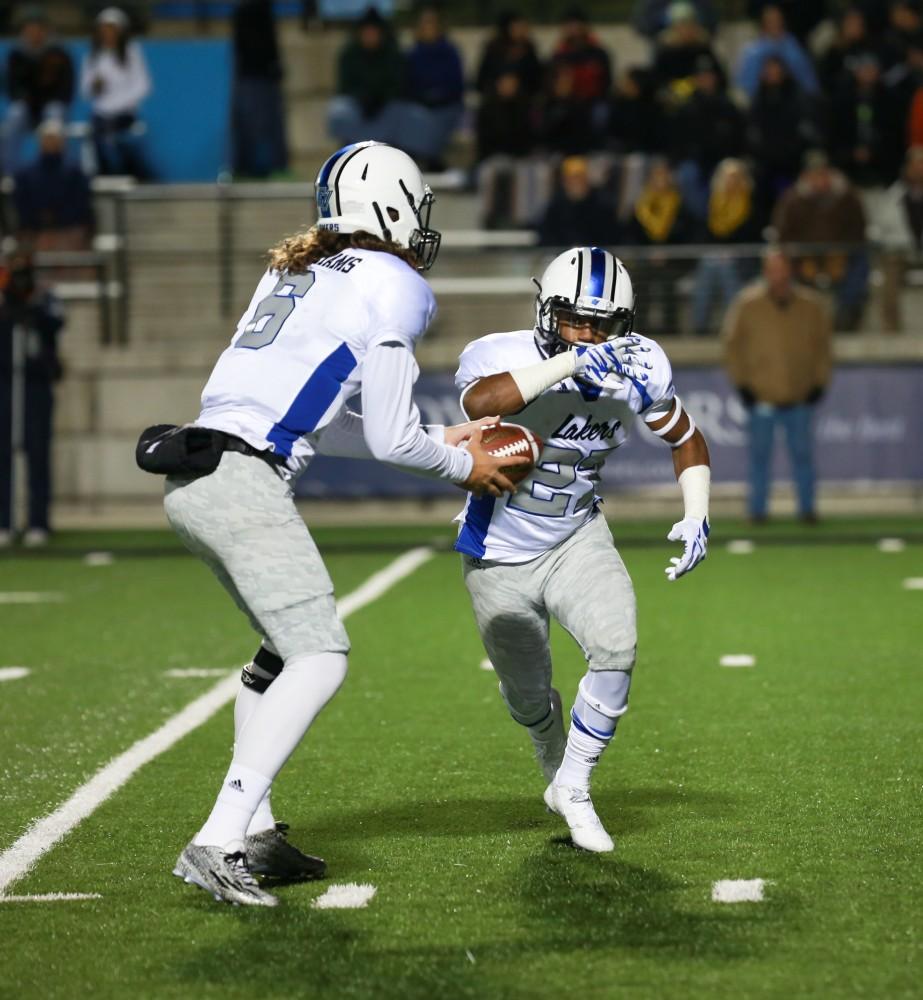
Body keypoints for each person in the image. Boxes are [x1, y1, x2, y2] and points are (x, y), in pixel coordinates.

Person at [164, 142, 528, 907]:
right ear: (389, 205)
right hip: (244, 479)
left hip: (194, 473)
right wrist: (466, 466)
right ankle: (219, 835)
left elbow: (321, 397)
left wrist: (444, 436)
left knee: (278, 651)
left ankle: (254, 830)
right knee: (322, 656)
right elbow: (392, 439)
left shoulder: (292, 266)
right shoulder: (393, 281)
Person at [454, 246, 711, 852]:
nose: (591, 334)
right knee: (526, 690)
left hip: (576, 533)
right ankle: (549, 756)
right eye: (575, 319)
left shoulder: (637, 365)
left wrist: (697, 509)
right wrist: (571, 362)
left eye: (604, 325)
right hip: (498, 545)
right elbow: (479, 404)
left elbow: (686, 436)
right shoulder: (500, 352)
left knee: (616, 646)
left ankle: (574, 785)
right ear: (547, 311)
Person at [722, 247, 832, 523]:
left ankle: (807, 510)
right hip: (761, 397)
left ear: (791, 270)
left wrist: (819, 383)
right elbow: (732, 347)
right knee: (759, 459)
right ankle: (757, 512)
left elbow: (824, 349)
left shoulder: (811, 306)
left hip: (799, 397)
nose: (778, 274)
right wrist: (742, 385)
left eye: (782, 268)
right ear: (765, 271)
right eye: (773, 269)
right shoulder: (747, 305)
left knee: (803, 457)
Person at [0, 251, 65, 548]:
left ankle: (38, 521)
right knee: (4, 455)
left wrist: (33, 310)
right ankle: (5, 521)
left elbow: (56, 323)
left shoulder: (45, 296)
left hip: (35, 385)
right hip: (6, 382)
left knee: (37, 453)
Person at [772, 151, 869, 330]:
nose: (819, 179)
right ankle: (799, 325)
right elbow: (783, 235)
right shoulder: (792, 199)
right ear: (806, 176)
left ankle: (845, 321)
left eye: (823, 173)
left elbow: (860, 230)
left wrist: (841, 254)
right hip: (803, 258)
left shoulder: (848, 196)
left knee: (861, 265)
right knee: (781, 265)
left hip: (842, 255)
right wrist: (802, 258)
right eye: (814, 174)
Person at [691, 159, 764, 336]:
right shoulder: (711, 204)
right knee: (711, 264)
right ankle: (701, 327)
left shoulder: (752, 204)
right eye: (728, 177)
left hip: (744, 259)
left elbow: (754, 237)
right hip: (714, 257)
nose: (732, 182)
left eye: (736, 177)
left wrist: (731, 252)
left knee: (723, 268)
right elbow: (703, 235)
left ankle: (733, 326)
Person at [2, 6, 74, 177]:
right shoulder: (16, 55)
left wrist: (49, 98)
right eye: (29, 28)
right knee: (14, 114)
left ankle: (60, 171)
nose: (33, 32)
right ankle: (8, 172)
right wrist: (23, 97)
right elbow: (11, 86)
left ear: (45, 30)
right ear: (24, 31)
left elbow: (66, 88)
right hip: (27, 109)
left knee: (54, 112)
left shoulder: (59, 53)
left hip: (50, 106)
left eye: (37, 28)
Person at [80, 7, 151, 178]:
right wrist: (95, 87)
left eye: (112, 30)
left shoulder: (133, 53)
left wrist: (120, 105)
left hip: (125, 114)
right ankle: (103, 178)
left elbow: (143, 86)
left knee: (122, 143)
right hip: (101, 115)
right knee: (97, 142)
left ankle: (133, 177)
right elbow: (85, 91)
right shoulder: (92, 57)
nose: (108, 34)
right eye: (104, 30)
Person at [327, 8, 406, 149]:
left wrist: (380, 99)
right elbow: (344, 87)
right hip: (357, 104)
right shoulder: (349, 54)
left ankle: (389, 150)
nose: (370, 36)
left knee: (402, 111)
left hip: (386, 105)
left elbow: (399, 85)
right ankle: (351, 150)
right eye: (366, 33)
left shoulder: (393, 54)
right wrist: (362, 98)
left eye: (374, 33)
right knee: (339, 110)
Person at [13, 119, 95, 255]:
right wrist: (40, 222)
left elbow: (81, 202)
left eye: (55, 138)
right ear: (39, 141)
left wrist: (60, 220)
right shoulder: (25, 175)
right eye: (47, 138)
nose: (51, 142)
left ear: (63, 141)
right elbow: (22, 203)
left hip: (70, 231)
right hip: (36, 233)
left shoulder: (76, 172)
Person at [230, 0, 289, 179]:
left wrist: (275, 64)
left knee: (272, 123)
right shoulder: (244, 12)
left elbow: (271, 43)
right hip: (250, 76)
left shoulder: (266, 9)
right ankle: (247, 168)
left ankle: (275, 166)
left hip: (266, 76)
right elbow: (245, 47)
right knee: (250, 123)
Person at [403, 6, 465, 171]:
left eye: (432, 24)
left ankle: (432, 156)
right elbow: (406, 86)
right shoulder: (412, 54)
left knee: (441, 117)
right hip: (420, 105)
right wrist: (423, 98)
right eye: (425, 24)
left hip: (447, 104)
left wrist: (440, 97)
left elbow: (457, 84)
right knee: (412, 115)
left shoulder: (450, 52)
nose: (428, 28)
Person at [872, 145, 923, 330]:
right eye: (916, 164)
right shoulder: (892, 196)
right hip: (900, 252)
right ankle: (891, 329)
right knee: (889, 272)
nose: (920, 169)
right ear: (907, 168)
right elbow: (878, 229)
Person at [734, 4, 819, 101]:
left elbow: (807, 81)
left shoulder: (793, 48)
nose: (775, 24)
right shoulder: (752, 52)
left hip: (792, 100)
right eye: (770, 21)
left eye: (777, 20)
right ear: (763, 24)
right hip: (761, 102)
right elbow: (745, 86)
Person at [537, 156, 615, 246]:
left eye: (579, 178)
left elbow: (611, 237)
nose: (575, 183)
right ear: (564, 181)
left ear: (586, 179)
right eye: (570, 179)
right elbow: (546, 237)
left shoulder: (602, 204)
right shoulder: (555, 205)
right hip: (562, 256)